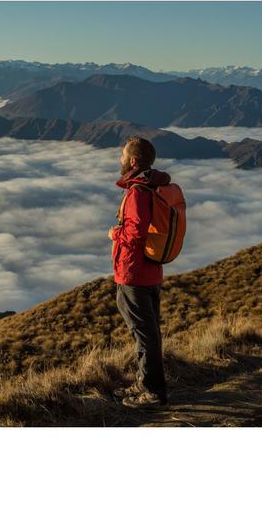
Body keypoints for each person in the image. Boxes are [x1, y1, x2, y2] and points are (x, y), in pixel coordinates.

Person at [108, 136, 170, 408]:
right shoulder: (154, 187)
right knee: (149, 332)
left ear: (133, 161)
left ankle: (152, 392)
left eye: (122, 156)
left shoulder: (137, 192)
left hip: (133, 271)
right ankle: (145, 384)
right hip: (151, 270)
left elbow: (135, 233)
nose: (119, 160)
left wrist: (115, 233)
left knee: (144, 334)